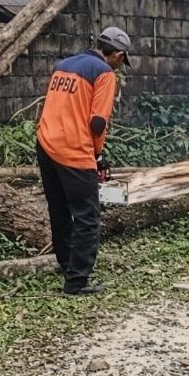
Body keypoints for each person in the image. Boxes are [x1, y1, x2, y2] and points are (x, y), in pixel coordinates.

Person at [35, 27, 130, 295]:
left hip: (45, 145)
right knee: (88, 217)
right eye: (123, 60)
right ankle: (76, 281)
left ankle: (67, 266)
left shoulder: (62, 66)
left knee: (60, 212)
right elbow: (98, 122)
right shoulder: (104, 73)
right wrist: (97, 154)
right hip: (74, 151)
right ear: (118, 55)